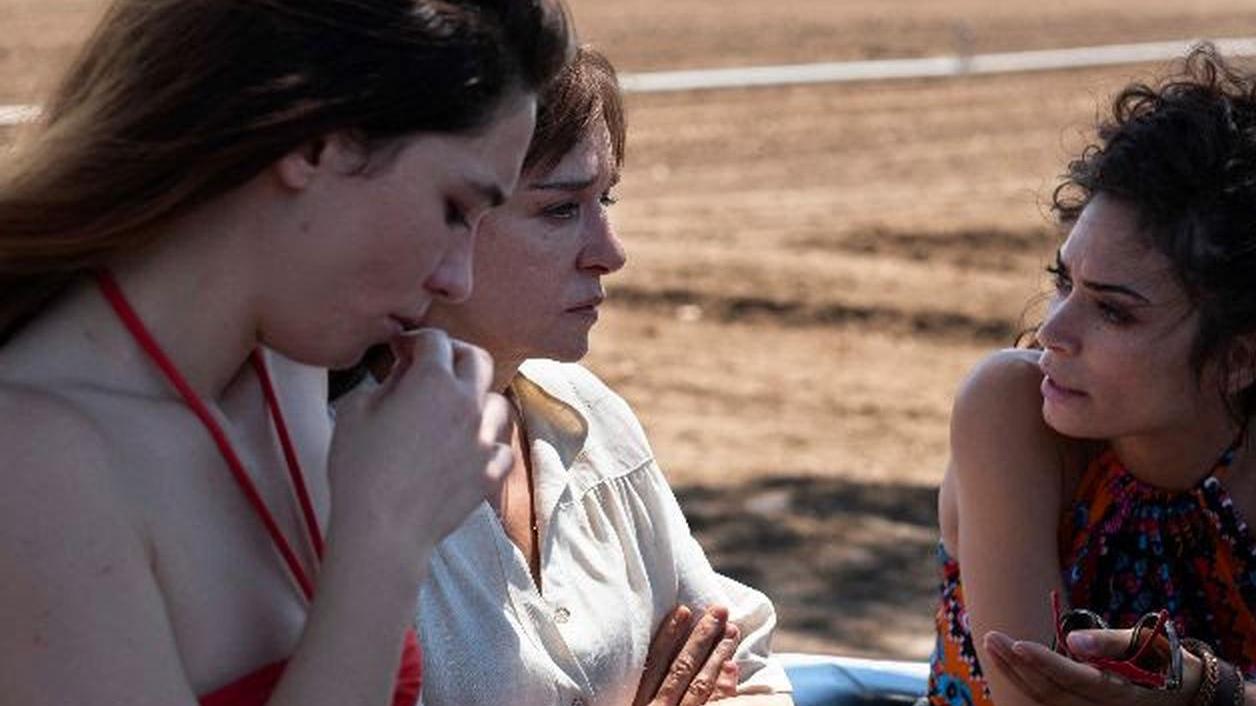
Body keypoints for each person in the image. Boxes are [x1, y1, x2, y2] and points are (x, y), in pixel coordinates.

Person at [0, 1, 571, 705]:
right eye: (455, 208)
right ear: (314, 144)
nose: (459, 278)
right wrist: (385, 536)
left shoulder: (288, 372)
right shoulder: (33, 459)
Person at [411, 47, 795, 705]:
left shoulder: (586, 417)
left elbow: (746, 670)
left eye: (605, 198)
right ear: (433, 219)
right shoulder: (323, 474)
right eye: (561, 209)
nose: (610, 253)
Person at [927, 45, 1256, 706]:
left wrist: (1214, 694)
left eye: (1113, 311)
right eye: (1064, 281)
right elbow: (1037, 696)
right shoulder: (1011, 410)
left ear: (1239, 360)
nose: (1053, 331)